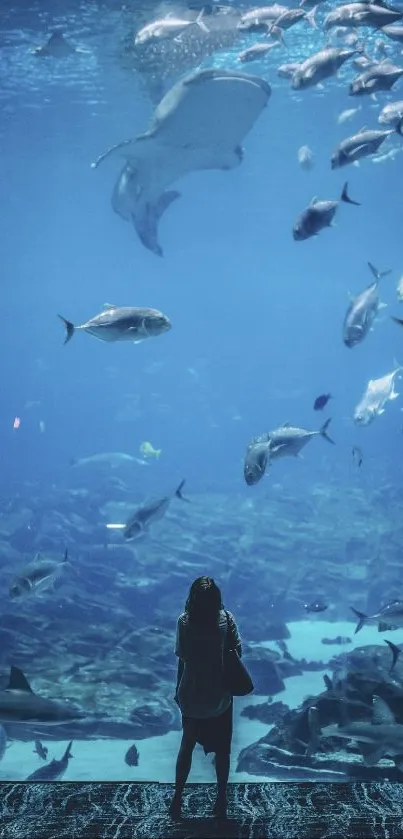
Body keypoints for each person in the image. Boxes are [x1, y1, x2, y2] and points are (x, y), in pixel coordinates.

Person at [169, 576, 242, 820]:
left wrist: (178, 690)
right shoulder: (226, 618)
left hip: (191, 691)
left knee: (186, 745)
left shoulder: (184, 622)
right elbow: (237, 652)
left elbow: (183, 658)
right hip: (220, 693)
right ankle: (221, 799)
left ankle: (177, 798)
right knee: (223, 749)